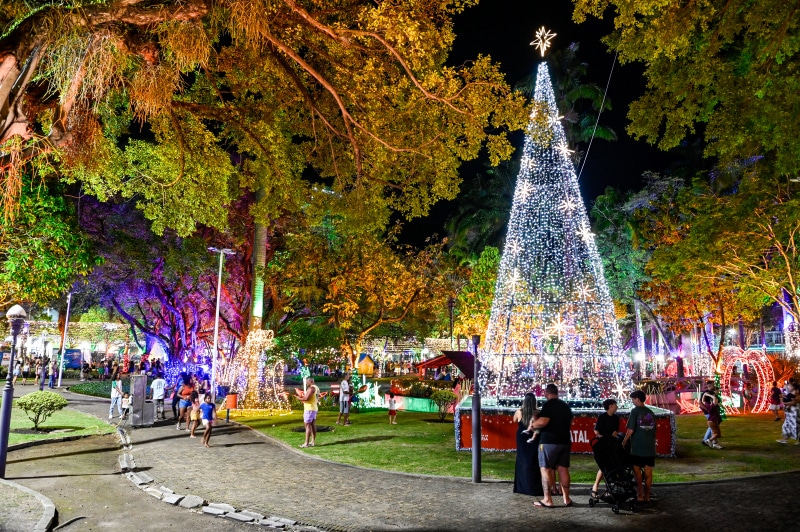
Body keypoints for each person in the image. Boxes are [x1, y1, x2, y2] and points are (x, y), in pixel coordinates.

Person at [531, 383, 573, 508]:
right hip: (564, 441)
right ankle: (567, 499)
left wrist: (532, 425)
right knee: (563, 469)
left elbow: (543, 421)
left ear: (546, 393)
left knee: (546, 469)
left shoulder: (548, 405)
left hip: (549, 441)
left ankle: (547, 499)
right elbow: (571, 420)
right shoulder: (565, 406)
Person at [622, 390, 657, 503]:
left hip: (637, 447)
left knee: (636, 471)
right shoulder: (650, 412)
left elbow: (631, 429)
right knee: (648, 471)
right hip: (650, 447)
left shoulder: (635, 411)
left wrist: (624, 441)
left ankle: (640, 494)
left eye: (633, 399)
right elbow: (653, 430)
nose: (632, 401)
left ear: (637, 399)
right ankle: (647, 495)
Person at [513, 392, 543, 496]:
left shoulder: (519, 411)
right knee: (534, 460)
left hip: (522, 438)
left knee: (522, 460)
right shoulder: (538, 412)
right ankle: (534, 486)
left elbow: (514, 420)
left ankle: (521, 486)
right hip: (534, 438)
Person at [591, 398, 620, 498]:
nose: (617, 406)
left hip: (612, 444)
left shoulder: (616, 418)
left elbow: (616, 431)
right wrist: (600, 436)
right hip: (603, 444)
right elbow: (596, 430)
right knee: (604, 466)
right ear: (610, 406)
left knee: (610, 466)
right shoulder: (602, 417)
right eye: (615, 404)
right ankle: (596, 486)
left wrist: (613, 436)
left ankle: (607, 488)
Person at [295, 377, 320, 448]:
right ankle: (313, 441)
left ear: (310, 382)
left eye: (307, 382)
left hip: (309, 409)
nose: (306, 383)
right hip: (314, 408)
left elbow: (306, 398)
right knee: (313, 425)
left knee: (307, 425)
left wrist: (298, 398)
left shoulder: (311, 388)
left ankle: (306, 443)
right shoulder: (316, 388)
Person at [700, 381, 724, 449]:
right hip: (710, 414)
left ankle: (714, 443)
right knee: (713, 429)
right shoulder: (707, 393)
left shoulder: (711, 394)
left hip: (712, 413)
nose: (714, 386)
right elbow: (701, 402)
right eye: (713, 385)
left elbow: (704, 400)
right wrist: (707, 410)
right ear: (709, 385)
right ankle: (707, 440)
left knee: (713, 429)